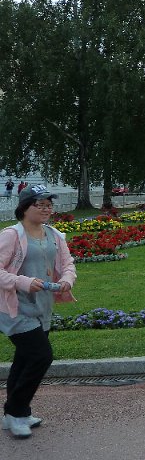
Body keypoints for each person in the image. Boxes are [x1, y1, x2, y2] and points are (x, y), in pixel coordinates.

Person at [0, 185, 77, 439]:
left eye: (49, 205)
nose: (46, 209)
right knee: (41, 356)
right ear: (24, 208)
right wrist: (22, 281)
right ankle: (17, 412)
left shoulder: (54, 234)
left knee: (24, 360)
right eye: (40, 204)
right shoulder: (11, 235)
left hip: (42, 307)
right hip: (15, 308)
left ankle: (12, 414)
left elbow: (68, 264)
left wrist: (67, 279)